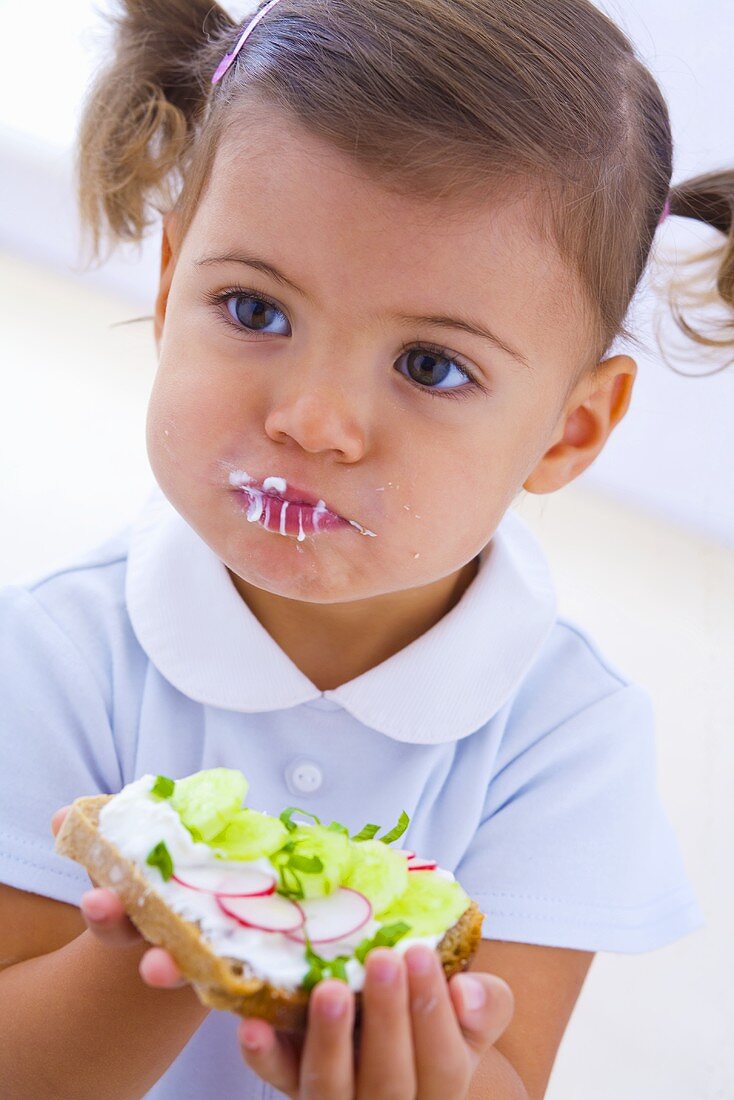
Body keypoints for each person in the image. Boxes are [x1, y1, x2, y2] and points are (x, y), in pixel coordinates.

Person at [0, 0, 729, 1096]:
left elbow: (508, 1071)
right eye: (253, 308)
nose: (312, 419)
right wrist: (172, 930)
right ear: (166, 284)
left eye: (429, 367)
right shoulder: (50, 654)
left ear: (570, 427)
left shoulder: (568, 733)